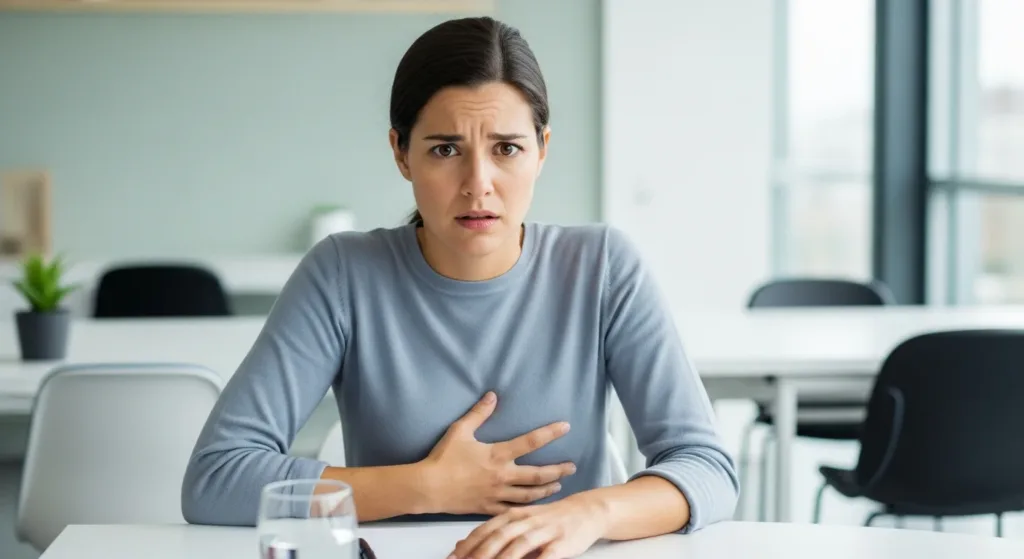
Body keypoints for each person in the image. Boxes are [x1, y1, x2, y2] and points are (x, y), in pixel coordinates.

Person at [181, 15, 738, 559]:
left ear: (542, 149)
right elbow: (217, 476)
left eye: (507, 149)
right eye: (445, 149)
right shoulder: (342, 274)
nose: (478, 185)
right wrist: (429, 486)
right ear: (401, 153)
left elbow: (706, 468)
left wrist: (587, 514)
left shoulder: (603, 266)